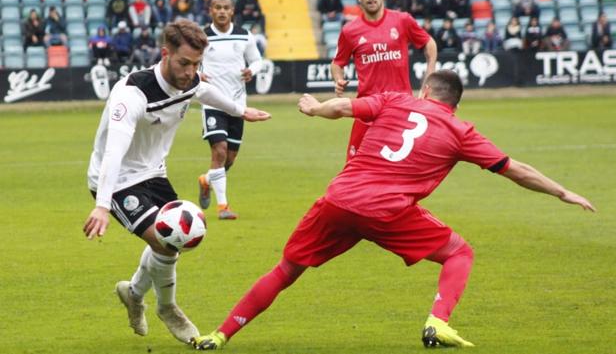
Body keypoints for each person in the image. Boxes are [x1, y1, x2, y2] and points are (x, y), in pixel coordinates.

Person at [190, 70, 595, 351]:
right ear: (454, 103)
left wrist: (314, 108)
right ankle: (437, 321)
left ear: (424, 90)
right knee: (459, 252)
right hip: (387, 212)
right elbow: (515, 170)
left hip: (339, 199)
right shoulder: (461, 131)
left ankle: (220, 335)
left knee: (285, 271)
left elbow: (344, 107)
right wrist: (562, 193)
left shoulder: (396, 101)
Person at [83, 20, 270, 345]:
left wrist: (241, 110)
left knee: (175, 237)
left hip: (154, 173)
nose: (190, 71)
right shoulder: (133, 94)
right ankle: (167, 307)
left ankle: (134, 292)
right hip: (115, 181)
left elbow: (203, 89)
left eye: (197, 64)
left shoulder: (190, 79)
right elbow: (113, 152)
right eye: (184, 63)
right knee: (164, 241)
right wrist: (102, 205)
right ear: (165, 54)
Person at [331, 0, 437, 160]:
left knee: (401, 169)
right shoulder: (349, 31)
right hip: (367, 110)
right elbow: (337, 63)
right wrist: (338, 79)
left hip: (401, 109)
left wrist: (428, 83)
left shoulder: (402, 20)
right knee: (354, 167)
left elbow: (430, 45)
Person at [197, 0, 263, 220]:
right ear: (211, 10)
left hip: (237, 104)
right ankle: (223, 207)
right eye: (218, 7)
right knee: (220, 151)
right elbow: (191, 61)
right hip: (212, 103)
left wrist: (251, 71)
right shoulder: (201, 36)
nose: (222, 11)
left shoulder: (244, 35)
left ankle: (207, 180)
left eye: (226, 7)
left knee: (230, 158)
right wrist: (198, 74)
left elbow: (257, 60)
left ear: (232, 11)